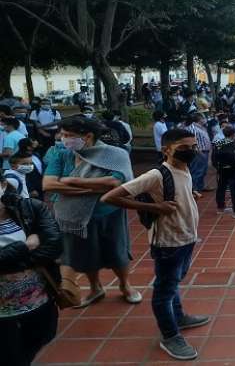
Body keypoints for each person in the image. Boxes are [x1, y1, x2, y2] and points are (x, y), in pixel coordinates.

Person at [102, 129, 210, 361]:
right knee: (164, 291)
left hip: (187, 237)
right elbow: (109, 197)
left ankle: (178, 316)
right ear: (166, 150)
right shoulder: (156, 174)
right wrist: (155, 208)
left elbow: (175, 192)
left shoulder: (184, 167)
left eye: (193, 146)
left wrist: (190, 195)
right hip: (168, 243)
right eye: (184, 147)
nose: (191, 151)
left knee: (173, 282)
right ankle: (170, 336)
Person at [42, 117, 140, 307]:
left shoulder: (115, 154)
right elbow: (49, 184)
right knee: (86, 254)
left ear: (88, 136)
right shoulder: (60, 153)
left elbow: (116, 182)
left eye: (69, 135)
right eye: (62, 134)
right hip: (73, 216)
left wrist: (71, 181)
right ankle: (95, 288)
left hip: (107, 212)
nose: (64, 139)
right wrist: (89, 190)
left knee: (117, 251)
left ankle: (125, 285)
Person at [0, 182, 63, 365]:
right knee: (7, 353)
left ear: (3, 184)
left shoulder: (30, 208)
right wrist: (25, 247)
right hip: (3, 312)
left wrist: (7, 260)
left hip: (38, 298)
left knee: (40, 337)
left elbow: (54, 246)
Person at [212, 126, 235, 219]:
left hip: (221, 169)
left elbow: (213, 157)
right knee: (234, 190)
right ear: (233, 135)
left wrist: (217, 167)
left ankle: (221, 208)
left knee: (221, 188)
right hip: (233, 170)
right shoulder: (232, 145)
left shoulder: (218, 143)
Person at [183, 113, 212, 193]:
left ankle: (200, 187)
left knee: (202, 171)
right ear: (199, 119)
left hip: (204, 152)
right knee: (197, 171)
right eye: (203, 118)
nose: (205, 119)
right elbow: (193, 143)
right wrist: (199, 152)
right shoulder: (193, 128)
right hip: (198, 153)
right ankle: (194, 190)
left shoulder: (201, 127)